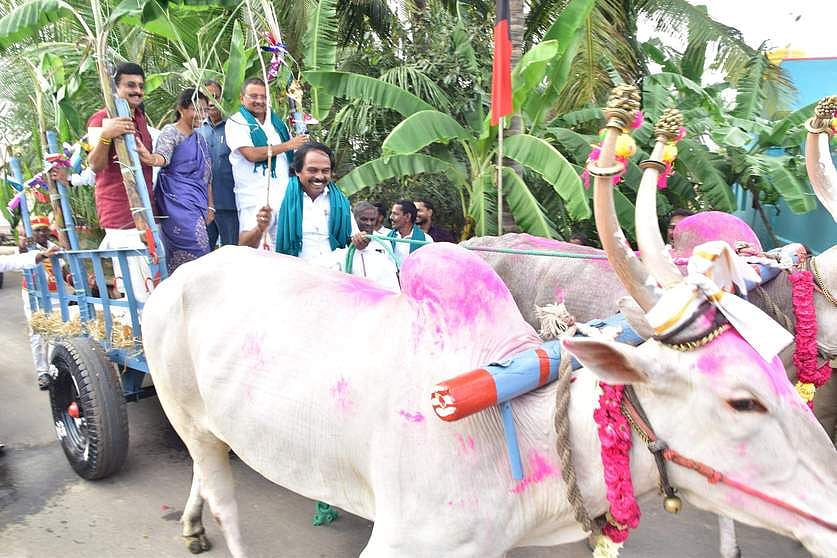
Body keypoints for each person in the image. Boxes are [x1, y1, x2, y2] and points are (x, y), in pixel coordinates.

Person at [86, 62, 156, 302]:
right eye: (130, 85)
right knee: (137, 288)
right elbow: (95, 165)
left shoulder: (140, 118)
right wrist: (106, 136)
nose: (137, 90)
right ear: (115, 87)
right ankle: (138, 335)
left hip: (145, 212)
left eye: (140, 86)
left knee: (150, 280)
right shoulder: (101, 119)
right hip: (121, 215)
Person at [135, 88, 213, 274]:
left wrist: (211, 206)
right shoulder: (171, 132)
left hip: (198, 205)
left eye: (204, 110)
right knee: (195, 249)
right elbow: (162, 157)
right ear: (181, 109)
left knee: (203, 250)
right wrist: (151, 158)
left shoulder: (200, 138)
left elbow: (207, 175)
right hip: (176, 205)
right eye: (196, 109)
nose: (201, 115)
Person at [225, 77, 308, 250]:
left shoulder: (276, 123)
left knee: (284, 248)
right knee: (254, 249)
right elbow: (251, 154)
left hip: (283, 195)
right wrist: (288, 145)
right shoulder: (236, 122)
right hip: (254, 197)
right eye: (253, 96)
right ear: (242, 98)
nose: (259, 101)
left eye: (263, 97)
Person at [1, 243, 60, 451]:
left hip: (52, 298)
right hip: (33, 300)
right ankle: (43, 371)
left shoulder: (49, 246)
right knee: (36, 336)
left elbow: (11, 262)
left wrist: (42, 255)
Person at [275, 142, 363, 266]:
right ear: (297, 170)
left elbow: (353, 240)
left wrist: (360, 242)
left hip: (334, 275)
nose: (319, 176)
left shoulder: (341, 202)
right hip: (292, 275)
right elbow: (247, 242)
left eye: (325, 171)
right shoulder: (278, 197)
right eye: (312, 170)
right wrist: (260, 228)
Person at [199, 80, 239, 248]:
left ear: (222, 98)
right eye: (206, 98)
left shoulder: (235, 127)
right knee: (203, 255)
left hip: (230, 204)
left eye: (214, 97)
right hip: (203, 206)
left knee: (231, 254)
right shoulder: (197, 129)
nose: (210, 102)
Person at [347, 201, 400, 292]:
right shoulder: (346, 240)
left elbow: (393, 272)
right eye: (364, 219)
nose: (369, 223)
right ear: (354, 219)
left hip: (381, 296)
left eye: (372, 219)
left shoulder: (384, 241)